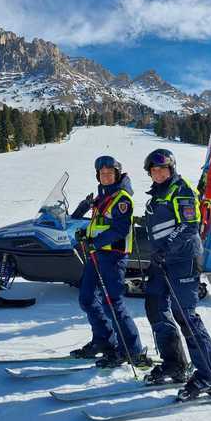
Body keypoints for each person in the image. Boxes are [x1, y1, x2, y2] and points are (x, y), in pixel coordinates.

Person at [143, 148, 211, 400]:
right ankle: (174, 363)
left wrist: (165, 248)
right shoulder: (157, 195)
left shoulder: (182, 190)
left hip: (183, 260)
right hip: (162, 262)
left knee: (185, 316)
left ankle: (210, 376)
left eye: (162, 169)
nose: (158, 174)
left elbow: (189, 226)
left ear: (171, 169)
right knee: (155, 307)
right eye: (153, 170)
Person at [70, 155, 150, 368]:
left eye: (109, 173)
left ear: (116, 175)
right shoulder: (102, 197)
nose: (105, 176)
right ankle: (104, 341)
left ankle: (131, 350)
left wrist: (95, 241)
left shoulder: (121, 198)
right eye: (102, 173)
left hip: (113, 257)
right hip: (97, 255)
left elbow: (120, 229)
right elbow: (97, 224)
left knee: (113, 304)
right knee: (87, 298)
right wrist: (85, 233)